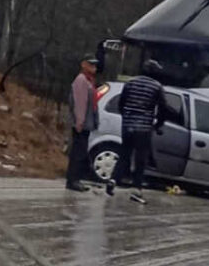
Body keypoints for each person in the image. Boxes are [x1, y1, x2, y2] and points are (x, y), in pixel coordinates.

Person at [106, 59, 166, 204]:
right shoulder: (156, 87)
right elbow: (163, 108)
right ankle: (137, 189)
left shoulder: (130, 83)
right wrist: (158, 124)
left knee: (124, 154)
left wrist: (126, 116)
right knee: (140, 159)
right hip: (144, 128)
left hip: (127, 125)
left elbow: (122, 102)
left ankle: (114, 179)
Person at [65, 54, 100, 192]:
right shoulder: (81, 80)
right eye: (91, 64)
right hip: (81, 124)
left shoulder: (89, 80)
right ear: (83, 64)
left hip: (86, 123)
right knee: (78, 153)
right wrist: (79, 122)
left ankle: (76, 179)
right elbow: (80, 103)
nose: (94, 67)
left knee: (81, 151)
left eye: (95, 65)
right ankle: (73, 180)